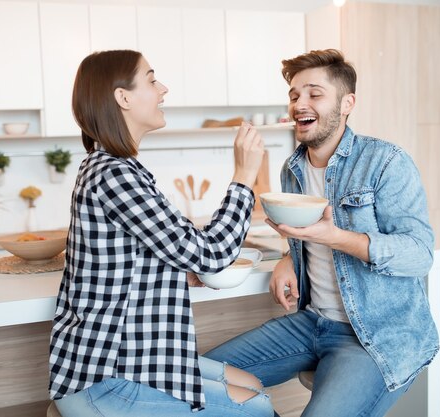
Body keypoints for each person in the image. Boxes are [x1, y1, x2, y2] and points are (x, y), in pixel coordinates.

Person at [205, 49, 439, 417]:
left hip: (373, 336)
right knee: (194, 379)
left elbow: (418, 254)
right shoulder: (291, 169)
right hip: (311, 322)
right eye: (295, 95)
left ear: (347, 103)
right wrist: (288, 256)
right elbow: (305, 236)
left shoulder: (386, 162)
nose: (301, 103)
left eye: (315, 93)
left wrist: (334, 237)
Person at [48, 49, 276, 417]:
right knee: (258, 407)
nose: (163, 88)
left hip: (137, 356)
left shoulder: (121, 168)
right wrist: (245, 176)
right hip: (104, 377)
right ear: (123, 97)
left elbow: (167, 249)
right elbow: (211, 253)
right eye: (152, 80)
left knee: (252, 384)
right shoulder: (114, 175)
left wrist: (177, 269)